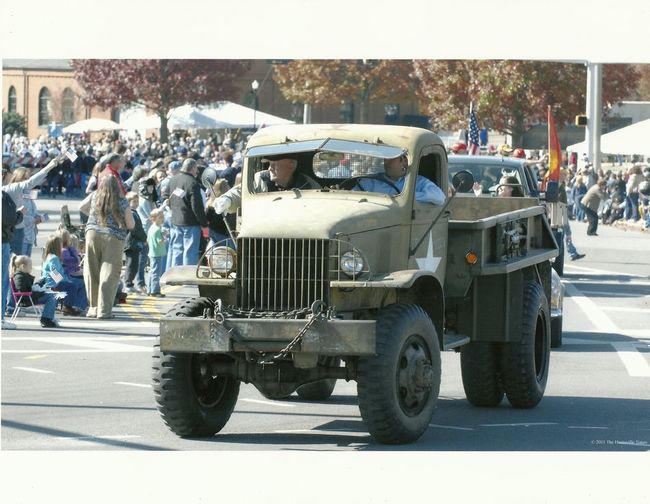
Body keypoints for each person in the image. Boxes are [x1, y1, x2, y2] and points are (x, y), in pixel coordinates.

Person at [82, 175, 135, 319]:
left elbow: (82, 207)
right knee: (109, 274)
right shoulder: (122, 201)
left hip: (92, 233)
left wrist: (93, 217)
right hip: (113, 236)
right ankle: (104, 311)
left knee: (92, 271)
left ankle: (93, 308)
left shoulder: (95, 196)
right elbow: (131, 224)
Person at [214, 154, 321, 215]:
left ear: (291, 165)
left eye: (274, 164)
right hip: (264, 236)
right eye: (269, 164)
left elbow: (322, 202)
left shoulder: (308, 185)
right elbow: (241, 191)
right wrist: (227, 199)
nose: (270, 168)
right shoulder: (261, 179)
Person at [2, 155, 65, 254]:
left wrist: (40, 217)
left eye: (28, 178)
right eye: (25, 178)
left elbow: (32, 210)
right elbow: (30, 183)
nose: (27, 180)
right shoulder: (12, 189)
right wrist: (50, 166)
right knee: (16, 263)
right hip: (16, 232)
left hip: (26, 234)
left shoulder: (27, 193)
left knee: (21, 264)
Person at [354, 153, 446, 205]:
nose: (385, 163)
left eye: (390, 159)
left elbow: (439, 197)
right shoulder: (371, 181)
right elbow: (353, 197)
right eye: (385, 159)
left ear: (404, 161)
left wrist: (405, 197)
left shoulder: (419, 182)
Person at [167, 158, 208, 266]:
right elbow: (197, 206)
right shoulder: (193, 182)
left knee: (177, 251)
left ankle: (175, 279)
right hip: (190, 223)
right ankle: (188, 281)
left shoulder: (173, 179)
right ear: (193, 167)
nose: (197, 171)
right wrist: (204, 224)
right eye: (196, 168)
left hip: (176, 221)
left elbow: (168, 198)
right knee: (190, 253)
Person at [41, 234, 88, 316]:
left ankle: (74, 306)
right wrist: (64, 280)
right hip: (53, 283)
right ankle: (69, 307)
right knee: (72, 286)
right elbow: (54, 272)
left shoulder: (49, 256)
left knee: (74, 284)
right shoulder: (54, 258)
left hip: (50, 282)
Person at [11, 255, 60, 328]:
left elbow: (28, 287)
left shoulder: (22, 275)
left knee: (49, 287)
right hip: (26, 299)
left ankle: (48, 317)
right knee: (51, 296)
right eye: (30, 266)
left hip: (30, 296)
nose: (31, 268)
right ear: (22, 266)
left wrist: (37, 288)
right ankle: (46, 319)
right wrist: (39, 292)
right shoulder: (19, 277)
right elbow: (22, 290)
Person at [2, 189, 21, 330]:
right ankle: (1, 317)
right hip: (3, 240)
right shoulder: (3, 196)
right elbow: (9, 218)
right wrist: (20, 214)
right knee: (2, 281)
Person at [123, 192, 147, 294]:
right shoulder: (132, 214)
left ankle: (131, 283)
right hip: (131, 243)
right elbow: (136, 229)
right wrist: (144, 238)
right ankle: (127, 284)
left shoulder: (134, 212)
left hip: (134, 243)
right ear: (128, 203)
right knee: (131, 265)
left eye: (137, 201)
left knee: (134, 265)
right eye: (134, 201)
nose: (136, 203)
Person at [146, 208, 167, 297]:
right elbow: (160, 241)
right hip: (157, 253)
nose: (162, 219)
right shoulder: (158, 230)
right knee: (156, 272)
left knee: (152, 271)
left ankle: (150, 289)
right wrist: (165, 237)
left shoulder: (151, 228)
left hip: (152, 252)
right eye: (160, 217)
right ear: (154, 219)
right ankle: (155, 291)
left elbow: (147, 240)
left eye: (162, 217)